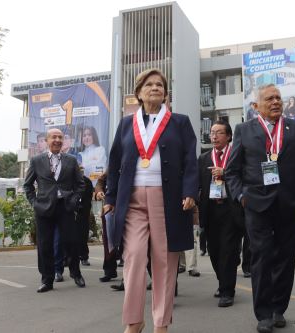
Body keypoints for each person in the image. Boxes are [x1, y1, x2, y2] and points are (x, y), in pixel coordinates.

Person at [104, 68, 198, 333]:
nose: (155, 88)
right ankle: (134, 321)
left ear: (166, 93)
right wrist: (110, 197)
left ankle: (161, 323)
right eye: (149, 84)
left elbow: (190, 160)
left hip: (167, 200)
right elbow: (114, 161)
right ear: (139, 92)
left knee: (164, 263)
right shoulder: (126, 124)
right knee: (133, 257)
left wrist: (190, 191)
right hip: (132, 200)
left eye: (160, 85)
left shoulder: (179, 122)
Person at [225, 84, 295, 333]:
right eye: (269, 98)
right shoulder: (244, 130)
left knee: (286, 259)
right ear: (256, 106)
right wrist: (241, 195)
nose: (276, 102)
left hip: (291, 204)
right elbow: (232, 171)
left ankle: (278, 309)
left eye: (278, 98)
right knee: (262, 258)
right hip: (256, 204)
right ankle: (263, 313)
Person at [23, 128, 86, 293]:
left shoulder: (71, 160)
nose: (57, 140)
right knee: (45, 245)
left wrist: (74, 200)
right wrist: (34, 203)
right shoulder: (37, 160)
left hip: (65, 206)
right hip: (43, 208)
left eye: (60, 137)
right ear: (47, 140)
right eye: (53, 137)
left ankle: (75, 272)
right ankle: (47, 279)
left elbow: (80, 185)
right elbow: (27, 185)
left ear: (63, 141)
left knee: (71, 242)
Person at [198, 120, 245, 307]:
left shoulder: (236, 154)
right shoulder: (204, 158)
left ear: (228, 136)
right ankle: (222, 281)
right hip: (210, 210)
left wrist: (224, 173)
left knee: (227, 250)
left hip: (230, 209)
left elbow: (244, 176)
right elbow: (197, 183)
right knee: (214, 251)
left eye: (219, 133)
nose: (214, 136)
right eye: (212, 133)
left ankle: (228, 291)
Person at [77, 166, 94, 266]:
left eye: (81, 171)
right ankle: (68, 258)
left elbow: (88, 197)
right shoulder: (70, 180)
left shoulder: (87, 181)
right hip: (71, 211)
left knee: (83, 235)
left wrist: (82, 206)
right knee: (69, 237)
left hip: (83, 212)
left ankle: (84, 257)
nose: (80, 173)